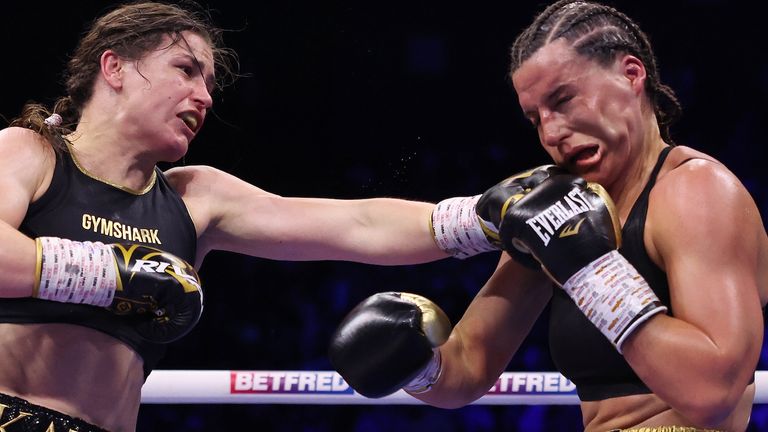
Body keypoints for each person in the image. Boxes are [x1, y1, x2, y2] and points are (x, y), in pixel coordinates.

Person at [0, 1, 513, 431]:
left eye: (209, 83)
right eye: (186, 69)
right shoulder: (31, 153)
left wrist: (487, 218)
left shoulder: (195, 197)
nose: (204, 96)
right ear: (113, 68)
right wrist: (117, 274)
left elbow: (355, 225)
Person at [329, 1, 768, 431]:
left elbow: (714, 393)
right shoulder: (563, 207)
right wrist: (417, 363)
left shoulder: (699, 191)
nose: (551, 133)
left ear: (631, 75)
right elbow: (469, 364)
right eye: (535, 118)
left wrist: (592, 271)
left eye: (564, 100)